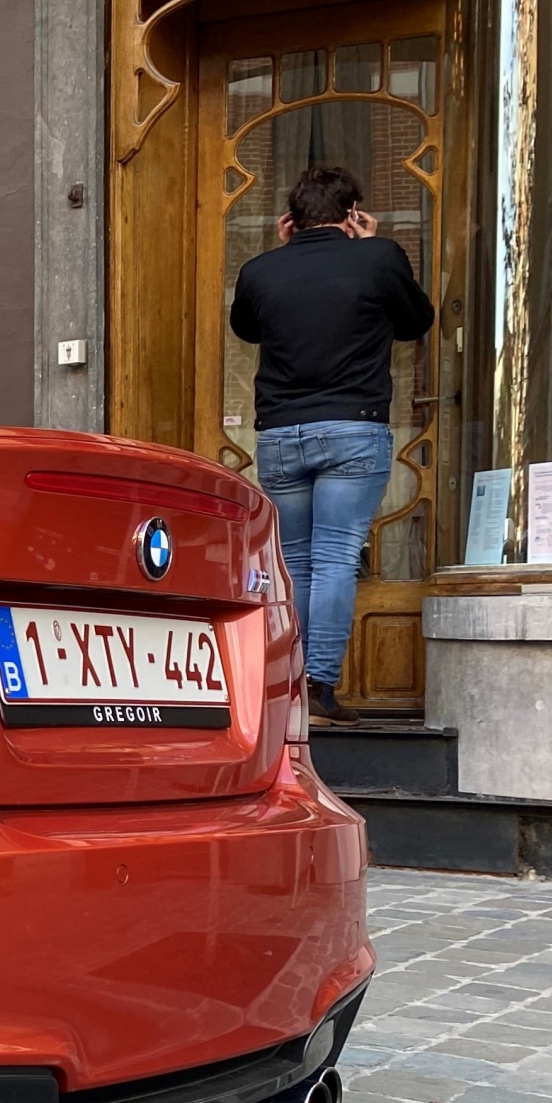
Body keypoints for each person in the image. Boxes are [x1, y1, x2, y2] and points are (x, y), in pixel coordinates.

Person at [228, 163, 435, 724]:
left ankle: (287, 689)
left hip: (280, 432)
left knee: (294, 564)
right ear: (352, 214)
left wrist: (284, 252)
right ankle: (320, 687)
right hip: (353, 426)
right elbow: (417, 319)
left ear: (291, 220)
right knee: (337, 558)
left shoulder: (260, 270)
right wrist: (369, 244)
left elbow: (247, 329)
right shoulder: (378, 256)